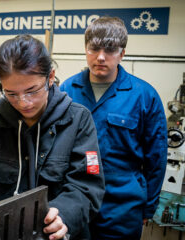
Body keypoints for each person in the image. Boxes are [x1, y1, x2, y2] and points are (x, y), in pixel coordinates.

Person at [0, 34, 105, 240]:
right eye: (12, 94)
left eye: (32, 91)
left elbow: (86, 187)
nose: (24, 103)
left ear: (50, 77)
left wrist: (64, 215)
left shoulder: (77, 120)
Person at [60, 17, 167, 239]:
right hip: (73, 201)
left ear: (122, 53)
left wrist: (149, 207)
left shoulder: (144, 96)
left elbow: (156, 158)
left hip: (122, 207)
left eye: (109, 50)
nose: (100, 57)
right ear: (85, 49)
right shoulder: (67, 90)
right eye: (94, 49)